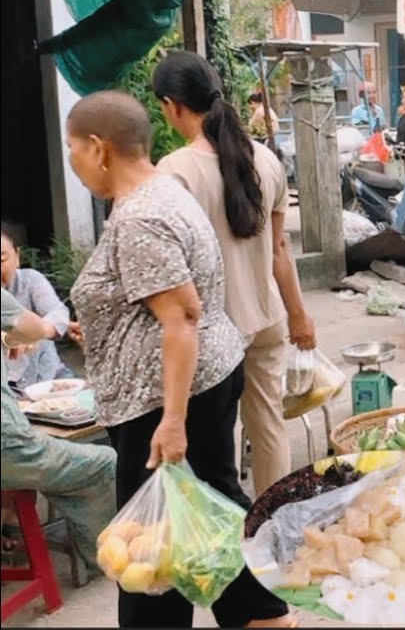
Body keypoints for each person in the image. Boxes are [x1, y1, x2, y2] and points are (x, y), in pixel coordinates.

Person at [64, 91, 293, 628]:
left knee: (152, 541)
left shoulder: (141, 215)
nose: (72, 164)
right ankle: (264, 614)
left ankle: (254, 615)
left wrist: (170, 421)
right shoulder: (162, 191)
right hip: (203, 375)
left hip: (164, 397)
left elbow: (181, 315)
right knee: (209, 506)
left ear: (99, 148)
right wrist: (103, 325)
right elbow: (162, 301)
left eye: (73, 150)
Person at [152, 50, 317, 497]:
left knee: (215, 448)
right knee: (269, 431)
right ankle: (274, 527)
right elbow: (280, 250)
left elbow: (172, 269)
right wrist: (298, 315)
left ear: (172, 106)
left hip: (211, 332)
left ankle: (227, 549)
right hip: (267, 318)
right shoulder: (265, 159)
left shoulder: (174, 172)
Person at [2, 289, 116, 567]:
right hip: (9, 448)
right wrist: (26, 332)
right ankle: (109, 561)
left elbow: (49, 317)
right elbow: (36, 327)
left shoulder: (32, 281)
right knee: (105, 463)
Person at [1, 225, 74, 390]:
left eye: (1, 260)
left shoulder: (30, 281)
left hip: (49, 379)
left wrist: (34, 333)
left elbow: (58, 312)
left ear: (17, 256)